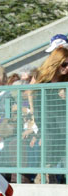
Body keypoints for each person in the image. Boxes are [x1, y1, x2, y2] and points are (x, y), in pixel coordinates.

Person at [31, 45, 68, 183]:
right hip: (50, 126)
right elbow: (38, 107)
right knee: (48, 164)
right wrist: (39, 131)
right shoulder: (43, 79)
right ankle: (42, 178)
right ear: (56, 63)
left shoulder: (66, 81)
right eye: (64, 64)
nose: (67, 68)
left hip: (63, 125)